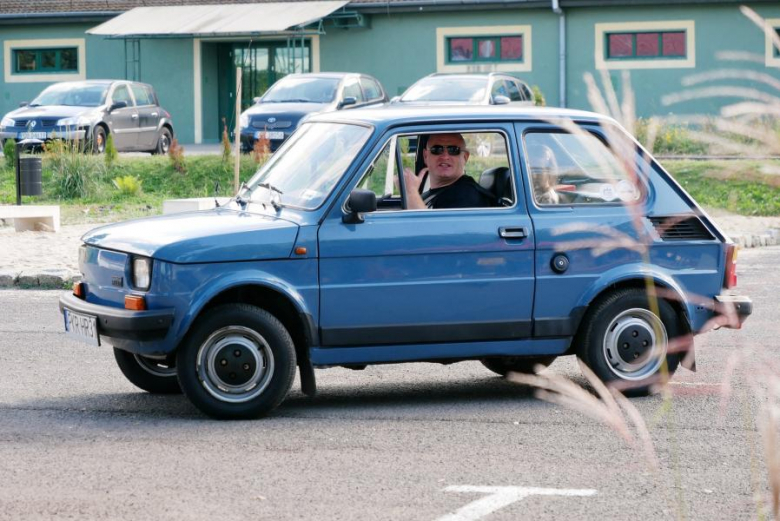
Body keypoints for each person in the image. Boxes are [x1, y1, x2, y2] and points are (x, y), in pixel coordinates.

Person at [402, 133, 493, 209]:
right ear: (425, 156)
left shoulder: (469, 196)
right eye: (437, 149)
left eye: (453, 150)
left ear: (465, 157)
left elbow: (433, 230)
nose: (445, 156)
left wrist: (411, 192)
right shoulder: (430, 194)